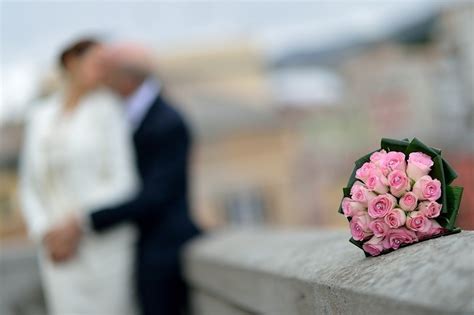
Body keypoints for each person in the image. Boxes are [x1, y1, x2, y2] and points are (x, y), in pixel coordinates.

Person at [51, 43, 201, 315]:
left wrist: (86, 220)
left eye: (107, 72)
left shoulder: (166, 121)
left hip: (162, 253)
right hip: (136, 249)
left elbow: (155, 197)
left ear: (126, 79)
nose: (101, 79)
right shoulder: (127, 114)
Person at [19, 38, 139, 315]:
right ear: (72, 63)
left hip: (102, 250)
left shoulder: (109, 111)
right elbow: (30, 184)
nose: (103, 71)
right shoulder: (40, 116)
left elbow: (123, 181)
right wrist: (46, 232)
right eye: (97, 63)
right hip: (57, 254)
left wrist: (76, 224)